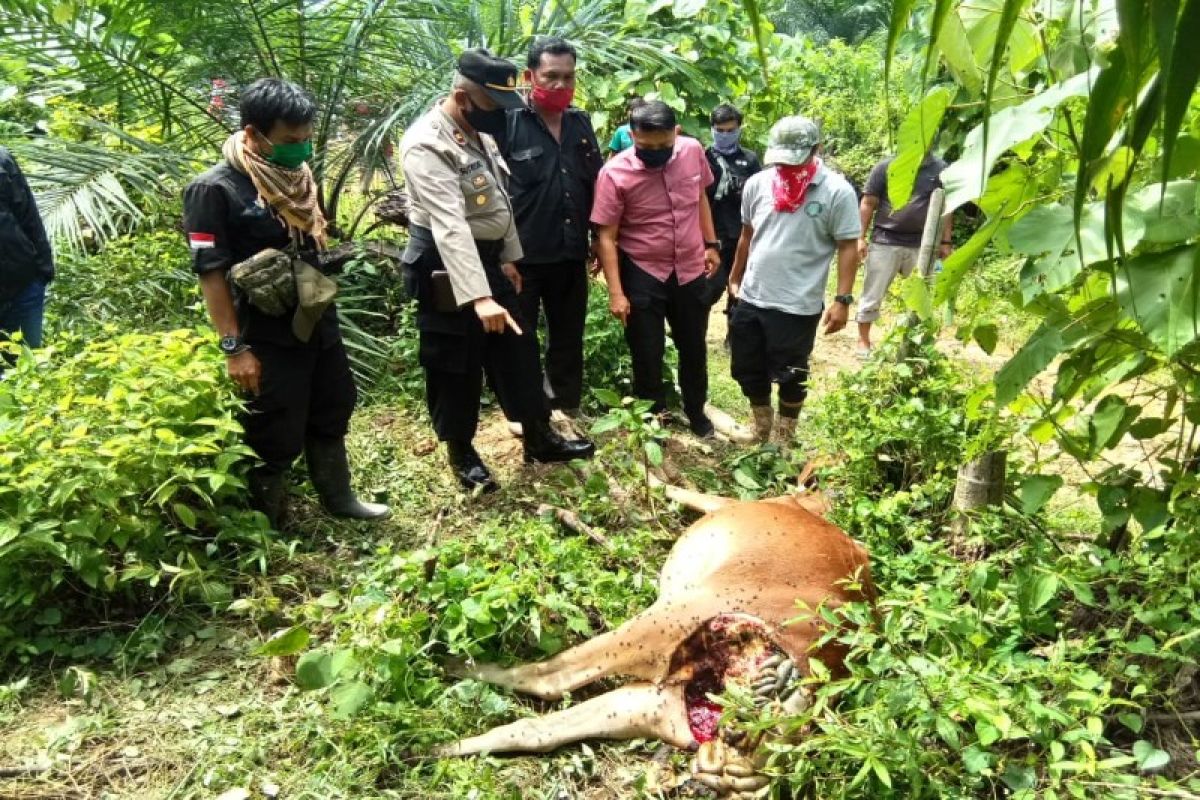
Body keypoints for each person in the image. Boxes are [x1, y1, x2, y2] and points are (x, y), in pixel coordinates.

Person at [183, 77, 390, 528]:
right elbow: (211, 275)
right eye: (290, 140)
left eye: (306, 138)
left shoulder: (297, 178)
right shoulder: (214, 190)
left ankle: (339, 499)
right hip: (264, 330)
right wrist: (234, 348)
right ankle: (268, 522)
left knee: (334, 403)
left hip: (316, 315)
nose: (301, 148)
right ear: (254, 134)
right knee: (274, 425)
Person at [399, 48, 594, 493]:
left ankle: (539, 438)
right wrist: (480, 295)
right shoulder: (427, 143)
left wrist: (507, 257)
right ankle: (462, 453)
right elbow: (450, 227)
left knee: (518, 350)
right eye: (492, 105)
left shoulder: (477, 132)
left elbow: (498, 202)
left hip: (486, 259)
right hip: (442, 265)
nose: (500, 116)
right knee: (455, 361)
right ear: (463, 97)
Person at [726, 116, 860, 444]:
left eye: (794, 159)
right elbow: (747, 235)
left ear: (817, 149)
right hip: (753, 294)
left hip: (797, 303)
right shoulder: (758, 184)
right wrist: (734, 277)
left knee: (791, 374)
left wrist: (843, 300)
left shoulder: (836, 192)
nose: (786, 167)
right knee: (746, 367)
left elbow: (848, 247)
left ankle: (784, 437)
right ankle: (760, 428)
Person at [591, 99, 721, 437]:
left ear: (676, 134)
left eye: (664, 145)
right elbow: (606, 237)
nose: (656, 152)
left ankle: (697, 412)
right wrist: (617, 293)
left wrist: (711, 244)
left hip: (691, 268)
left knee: (693, 346)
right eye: (646, 146)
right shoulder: (614, 173)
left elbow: (699, 197)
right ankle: (654, 419)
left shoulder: (692, 150)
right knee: (646, 351)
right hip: (643, 271)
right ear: (632, 135)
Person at [494, 36, 603, 419]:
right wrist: (500, 254)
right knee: (519, 338)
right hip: (522, 256)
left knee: (568, 334)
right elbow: (493, 193)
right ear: (530, 76)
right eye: (551, 76)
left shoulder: (580, 121)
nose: (561, 86)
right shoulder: (506, 124)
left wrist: (596, 241)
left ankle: (566, 407)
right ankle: (526, 415)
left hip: (571, 250)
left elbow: (595, 181)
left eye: (568, 78)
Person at [856, 151, 952, 356]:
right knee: (873, 292)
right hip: (885, 240)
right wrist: (860, 237)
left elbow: (947, 207)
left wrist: (946, 241)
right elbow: (868, 202)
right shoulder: (886, 167)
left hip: (923, 245)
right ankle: (863, 341)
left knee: (921, 295)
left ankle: (915, 344)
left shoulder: (941, 169)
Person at [704, 104, 761, 321]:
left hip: (742, 233)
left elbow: (760, 194)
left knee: (739, 285)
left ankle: (734, 333)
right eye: (720, 130)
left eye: (730, 130)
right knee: (710, 286)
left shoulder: (750, 159)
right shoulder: (703, 157)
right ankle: (698, 332)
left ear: (739, 129)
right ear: (712, 129)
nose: (725, 135)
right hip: (712, 234)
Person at [0, 146, 54, 353]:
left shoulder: (2, 159)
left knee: (27, 370)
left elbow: (28, 214)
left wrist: (43, 271)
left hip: (22, 286)